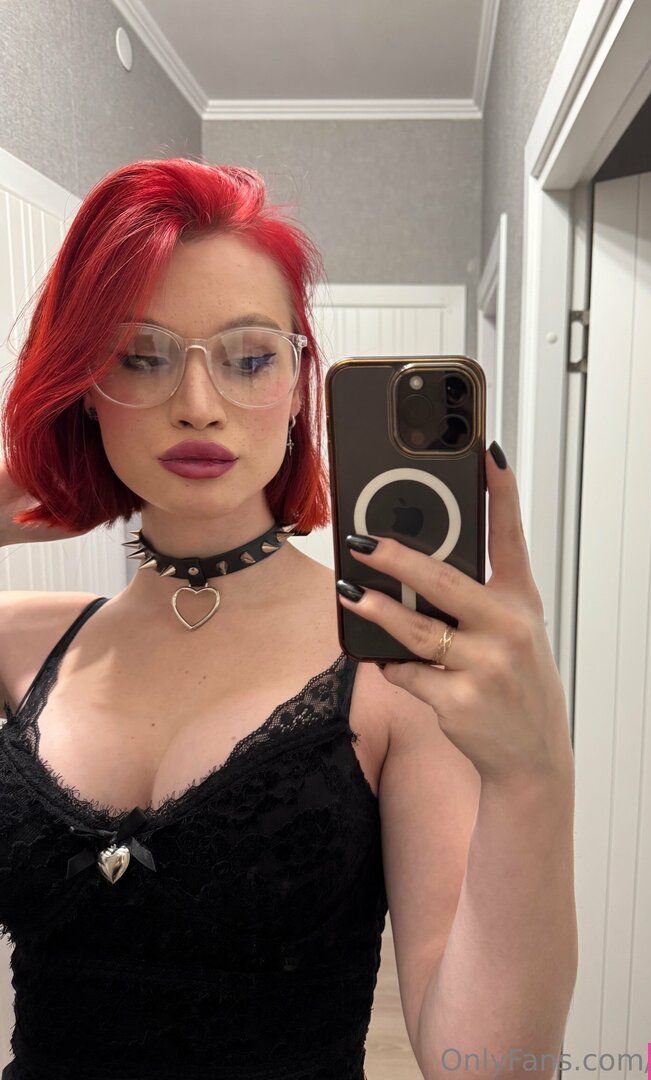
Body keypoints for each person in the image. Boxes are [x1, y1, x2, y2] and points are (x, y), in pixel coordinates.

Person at [0, 158, 577, 1079]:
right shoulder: (23, 645)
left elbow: (483, 1066)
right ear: (85, 382)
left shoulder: (394, 662)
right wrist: (29, 478)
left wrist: (535, 776)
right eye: (140, 356)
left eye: (249, 358)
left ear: (300, 383)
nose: (198, 406)